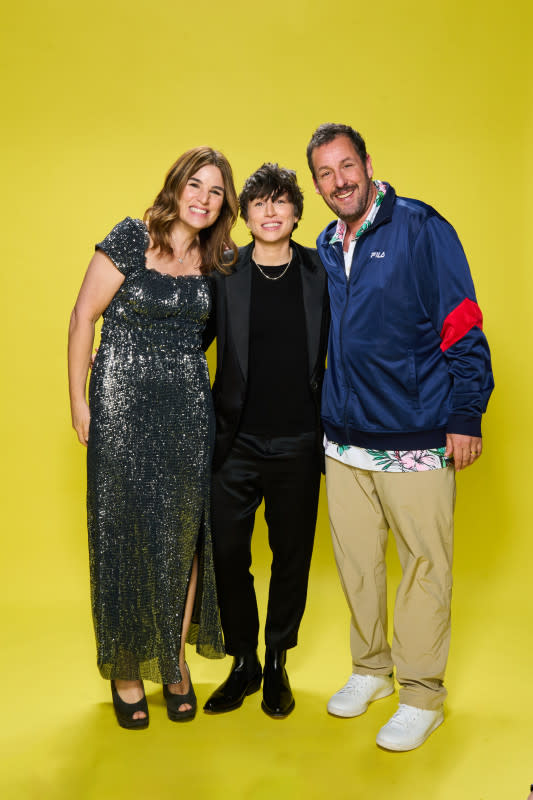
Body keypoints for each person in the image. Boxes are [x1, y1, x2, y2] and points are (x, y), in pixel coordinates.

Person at [306, 123, 494, 750]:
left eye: (346, 166)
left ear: (366, 163)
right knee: (358, 564)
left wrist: (465, 414)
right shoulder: (327, 244)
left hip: (415, 434)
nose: (340, 182)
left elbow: (462, 320)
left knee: (423, 567)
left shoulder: (420, 227)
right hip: (345, 440)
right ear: (317, 185)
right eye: (325, 174)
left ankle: (421, 693)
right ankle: (371, 670)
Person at [68, 146, 238, 729]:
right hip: (119, 406)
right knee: (121, 535)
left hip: (188, 412)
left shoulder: (219, 262)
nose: (203, 198)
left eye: (216, 192)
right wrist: (78, 399)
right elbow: (83, 317)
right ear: (176, 185)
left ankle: (173, 661)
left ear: (224, 206)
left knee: (181, 538)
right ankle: (125, 668)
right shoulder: (127, 237)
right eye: (196, 184)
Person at [201, 163, 329, 718]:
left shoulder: (321, 273)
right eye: (259, 203)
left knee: (292, 556)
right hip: (236, 443)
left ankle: (276, 660)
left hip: (300, 440)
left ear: (298, 213)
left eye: (281, 202)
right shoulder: (223, 273)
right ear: (245, 215)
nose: (271, 211)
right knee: (228, 555)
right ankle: (244, 663)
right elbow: (185, 337)